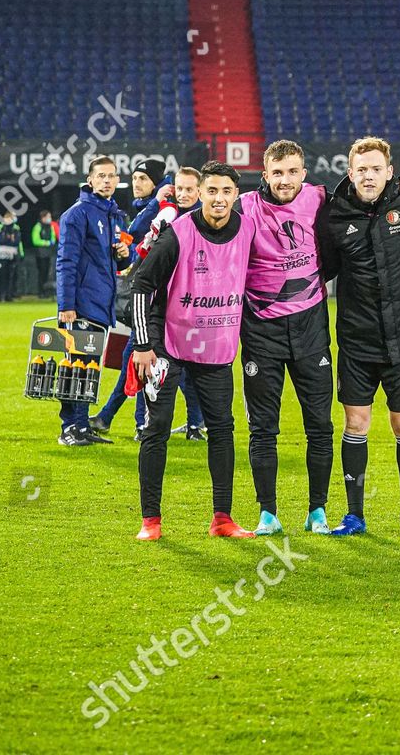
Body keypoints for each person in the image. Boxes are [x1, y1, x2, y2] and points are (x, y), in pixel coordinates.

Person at [129, 161, 257, 541]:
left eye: (226, 192)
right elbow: (141, 285)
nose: (219, 199)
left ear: (236, 196)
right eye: (211, 191)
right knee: (157, 430)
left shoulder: (248, 228)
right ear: (199, 193)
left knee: (222, 431)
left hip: (217, 351)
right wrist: (142, 345)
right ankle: (150, 521)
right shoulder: (177, 234)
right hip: (169, 348)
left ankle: (223, 519)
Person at [320, 137, 400, 538]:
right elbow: (322, 269)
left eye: (375, 168)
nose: (368, 176)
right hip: (356, 339)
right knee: (356, 421)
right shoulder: (334, 214)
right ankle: (354, 515)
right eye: (361, 169)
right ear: (351, 173)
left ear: (389, 171)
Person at [239, 142, 338, 536]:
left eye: (292, 172)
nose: (285, 180)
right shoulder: (244, 206)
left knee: (320, 425)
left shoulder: (319, 198)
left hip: (311, 330)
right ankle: (268, 513)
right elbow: (204, 218)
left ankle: (318, 511)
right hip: (261, 332)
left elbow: (371, 195)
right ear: (265, 174)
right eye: (277, 173)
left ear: (304, 173)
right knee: (263, 427)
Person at [93, 167, 206, 441]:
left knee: (163, 367)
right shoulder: (163, 209)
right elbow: (136, 239)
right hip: (155, 303)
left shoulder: (186, 216)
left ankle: (147, 423)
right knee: (142, 362)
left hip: (178, 307)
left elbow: (137, 234)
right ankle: (189, 424)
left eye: (143, 178)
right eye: (180, 189)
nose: (137, 183)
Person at [55, 156, 131, 446]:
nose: (107, 181)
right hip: (81, 304)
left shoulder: (112, 214)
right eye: (101, 176)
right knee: (76, 365)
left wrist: (125, 254)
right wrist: (66, 306)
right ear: (90, 180)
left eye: (112, 176)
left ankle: (82, 427)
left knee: (91, 368)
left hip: (101, 303)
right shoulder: (76, 214)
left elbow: (112, 259)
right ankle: (68, 429)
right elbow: (66, 262)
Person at [0, 210, 23, 301]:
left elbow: (17, 242)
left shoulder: (16, 228)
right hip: (2, 255)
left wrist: (20, 253)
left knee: (11, 275)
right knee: (1, 275)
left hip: (13, 255)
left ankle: (9, 295)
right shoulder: (0, 228)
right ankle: (0, 295)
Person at [30, 210, 56, 298]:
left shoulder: (50, 227)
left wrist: (52, 242)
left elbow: (53, 238)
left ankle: (45, 292)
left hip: (48, 253)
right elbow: (35, 240)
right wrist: (47, 243)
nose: (50, 219)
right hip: (40, 254)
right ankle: (40, 292)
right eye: (48, 217)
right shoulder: (37, 227)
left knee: (46, 273)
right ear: (43, 218)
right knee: (42, 273)